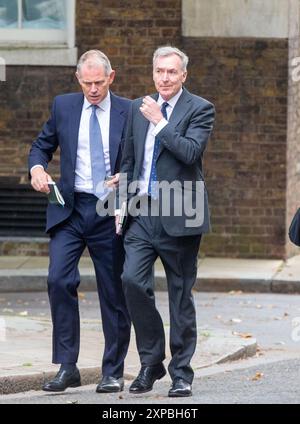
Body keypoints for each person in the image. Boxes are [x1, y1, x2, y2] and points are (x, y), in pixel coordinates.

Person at [28, 50, 131, 393]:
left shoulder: (127, 111)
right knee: (58, 279)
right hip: (70, 210)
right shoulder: (64, 106)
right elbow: (41, 146)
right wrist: (37, 168)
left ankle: (112, 371)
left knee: (113, 291)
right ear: (78, 80)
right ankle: (67, 366)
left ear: (111, 78)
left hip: (108, 211)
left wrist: (126, 176)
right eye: (87, 83)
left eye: (99, 82)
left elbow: (144, 159)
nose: (93, 89)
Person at [118, 46, 215, 397]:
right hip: (142, 213)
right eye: (160, 71)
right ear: (153, 73)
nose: (165, 78)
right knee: (131, 280)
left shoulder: (199, 109)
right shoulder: (137, 108)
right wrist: (120, 202)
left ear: (184, 75)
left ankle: (181, 373)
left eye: (172, 72)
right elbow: (129, 161)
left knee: (179, 295)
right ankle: (151, 362)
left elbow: (190, 152)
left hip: (181, 213)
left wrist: (161, 122)